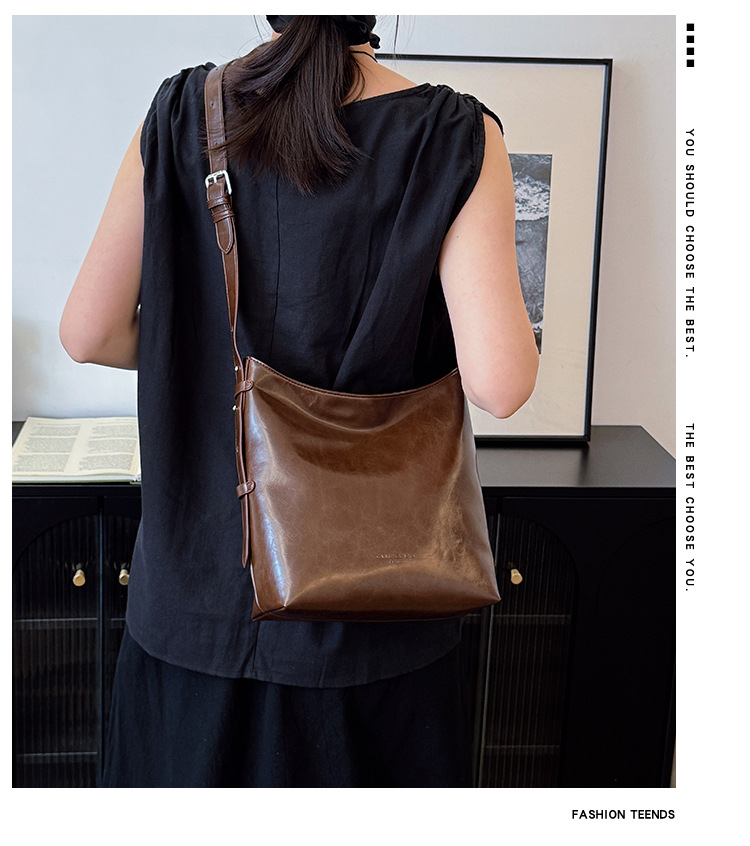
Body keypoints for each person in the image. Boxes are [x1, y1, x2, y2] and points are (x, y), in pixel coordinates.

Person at [59, 15, 539, 788]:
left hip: (192, 611)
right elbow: (502, 385)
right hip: (376, 626)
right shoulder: (456, 134)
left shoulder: (181, 112)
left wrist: (207, 359)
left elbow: (89, 334)